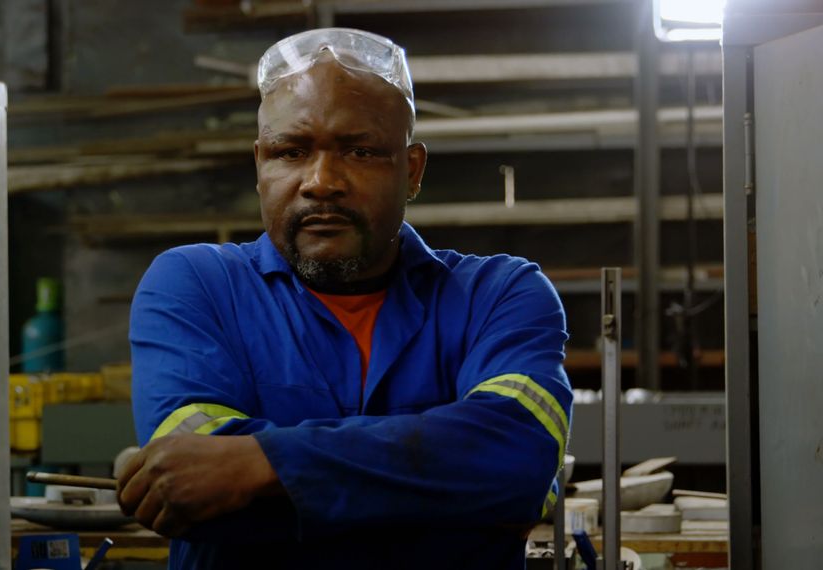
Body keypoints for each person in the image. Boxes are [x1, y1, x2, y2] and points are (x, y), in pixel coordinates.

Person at [117, 28, 572, 569]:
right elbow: (196, 496)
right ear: (260, 165)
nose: (321, 182)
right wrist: (449, 488)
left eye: (359, 151)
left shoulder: (501, 295)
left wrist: (256, 463)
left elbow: (518, 464)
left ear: (412, 171)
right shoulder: (193, 286)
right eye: (291, 151)